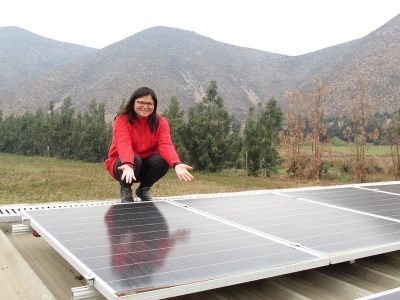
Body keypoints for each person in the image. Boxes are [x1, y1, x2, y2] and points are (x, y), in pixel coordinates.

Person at [105, 86, 194, 202]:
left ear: (154, 105)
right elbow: (124, 144)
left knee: (163, 160)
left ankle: (143, 189)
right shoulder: (122, 120)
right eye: (141, 102)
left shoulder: (161, 122)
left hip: (144, 166)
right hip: (122, 166)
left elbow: (165, 144)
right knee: (134, 159)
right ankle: (126, 189)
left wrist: (176, 164)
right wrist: (127, 164)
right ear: (133, 103)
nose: (145, 106)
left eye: (149, 104)